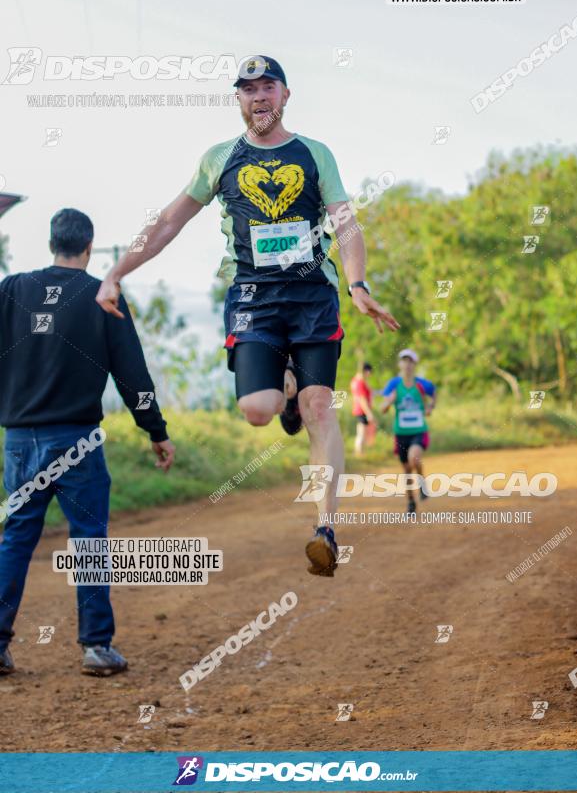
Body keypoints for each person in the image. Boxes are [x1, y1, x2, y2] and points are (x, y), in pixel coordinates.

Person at [95, 55, 399, 577]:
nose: (258, 97)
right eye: (248, 89)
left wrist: (357, 283)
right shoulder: (220, 158)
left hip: (312, 297)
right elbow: (168, 222)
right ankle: (282, 391)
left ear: (285, 96)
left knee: (320, 407)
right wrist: (116, 272)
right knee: (258, 409)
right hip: (254, 301)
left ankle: (325, 528)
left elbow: (344, 223)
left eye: (268, 87)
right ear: (238, 99)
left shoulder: (314, 154)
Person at [0, 209, 174, 677]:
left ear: (53, 242)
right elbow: (132, 376)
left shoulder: (12, 290)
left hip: (18, 440)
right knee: (89, 541)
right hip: (76, 441)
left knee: (16, 537)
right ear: (90, 246)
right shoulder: (103, 294)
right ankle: (96, 647)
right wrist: (155, 431)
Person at [381, 349, 437, 513]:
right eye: (404, 361)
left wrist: (430, 407)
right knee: (406, 470)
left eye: (410, 361)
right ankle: (411, 501)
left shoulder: (422, 384)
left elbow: (433, 394)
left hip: (419, 431)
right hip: (401, 433)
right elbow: (383, 408)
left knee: (414, 458)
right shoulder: (393, 384)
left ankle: (421, 483)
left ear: (414, 364)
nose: (407, 365)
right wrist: (389, 402)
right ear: (399, 364)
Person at [350, 363, 374, 456]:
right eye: (369, 372)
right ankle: (359, 453)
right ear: (366, 371)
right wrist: (368, 413)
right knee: (361, 433)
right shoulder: (360, 382)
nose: (369, 375)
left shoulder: (355, 381)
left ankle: (360, 452)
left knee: (361, 432)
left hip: (359, 410)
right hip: (362, 410)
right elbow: (362, 399)